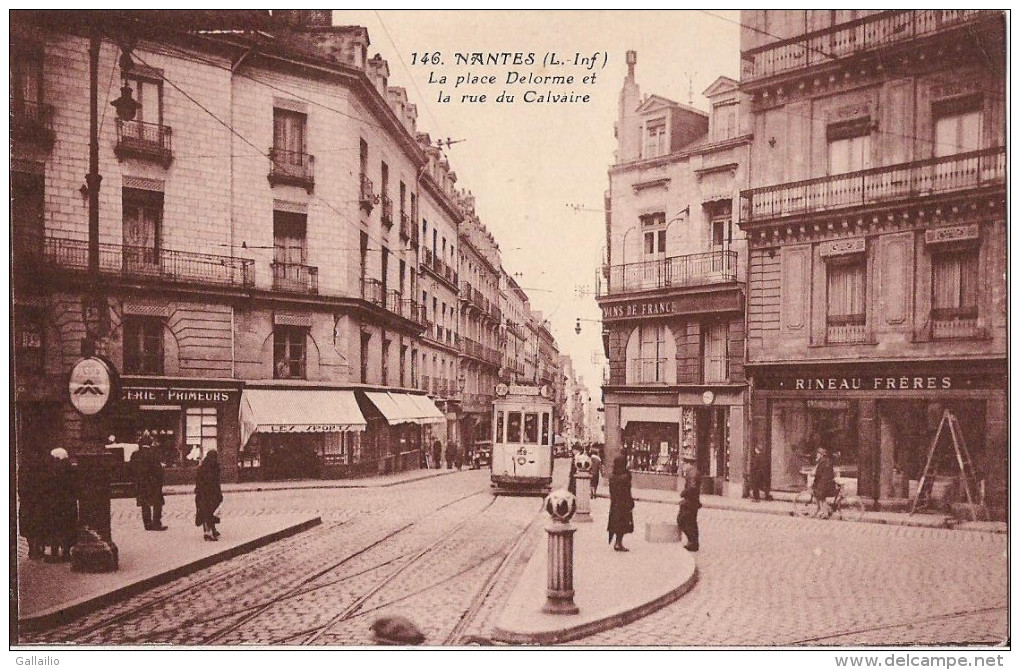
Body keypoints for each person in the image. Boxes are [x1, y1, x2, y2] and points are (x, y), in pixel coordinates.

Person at [46, 448, 78, 563]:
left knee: (56, 526)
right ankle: (66, 551)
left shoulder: (56, 469)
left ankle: (55, 553)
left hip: (57, 503)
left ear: (57, 458)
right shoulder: (70, 467)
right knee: (68, 527)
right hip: (69, 503)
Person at [131, 433, 167, 530]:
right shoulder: (153, 453)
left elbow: (131, 469)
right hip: (153, 483)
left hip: (141, 483)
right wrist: (160, 482)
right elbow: (158, 470)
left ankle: (147, 524)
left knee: (144, 504)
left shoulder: (135, 454)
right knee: (157, 503)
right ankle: (156, 523)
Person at [18, 453, 48, 560]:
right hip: (37, 503)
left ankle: (32, 550)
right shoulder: (41, 469)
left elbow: (20, 487)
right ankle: (37, 549)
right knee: (38, 525)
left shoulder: (23, 469)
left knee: (29, 527)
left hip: (27, 503)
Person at [607, 455, 634, 552]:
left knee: (616, 522)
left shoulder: (612, 477)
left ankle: (617, 542)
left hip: (615, 503)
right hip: (623, 503)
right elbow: (627, 491)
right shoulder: (624, 477)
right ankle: (618, 543)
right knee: (622, 523)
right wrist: (630, 502)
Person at [195, 449, 223, 541]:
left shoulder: (205, 467)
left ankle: (212, 530)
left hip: (207, 494)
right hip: (207, 494)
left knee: (209, 512)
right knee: (207, 512)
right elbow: (214, 483)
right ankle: (207, 533)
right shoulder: (211, 468)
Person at [677, 451, 701, 552]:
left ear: (688, 464)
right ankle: (693, 542)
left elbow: (692, 487)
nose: (682, 466)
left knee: (683, 520)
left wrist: (683, 493)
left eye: (683, 464)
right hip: (692, 501)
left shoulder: (692, 473)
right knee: (691, 522)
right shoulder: (692, 472)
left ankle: (692, 542)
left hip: (690, 501)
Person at [812, 447, 838, 518]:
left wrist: (813, 474)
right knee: (822, 496)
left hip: (824, 483)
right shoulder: (827, 460)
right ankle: (828, 510)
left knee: (821, 497)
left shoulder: (822, 462)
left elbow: (818, 473)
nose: (817, 455)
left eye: (818, 454)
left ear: (821, 455)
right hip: (829, 482)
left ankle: (826, 513)